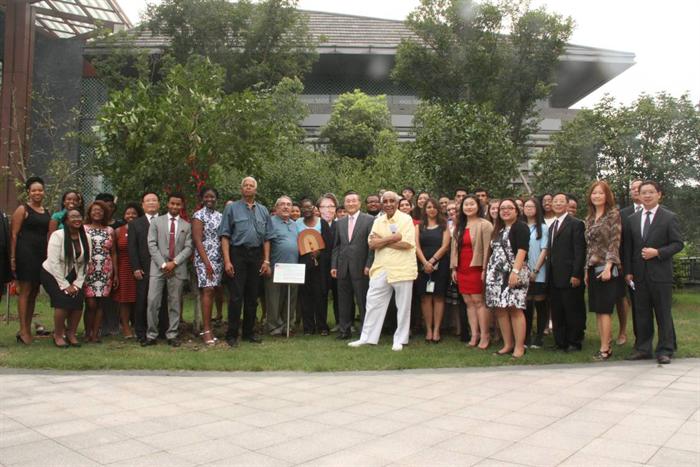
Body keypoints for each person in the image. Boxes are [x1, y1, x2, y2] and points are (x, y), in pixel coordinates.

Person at [624, 180, 684, 364]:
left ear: (659, 194)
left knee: (663, 313)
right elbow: (628, 247)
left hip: (661, 274)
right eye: (644, 192)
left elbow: (677, 244)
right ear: (639, 195)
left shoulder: (669, 217)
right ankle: (643, 349)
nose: (647, 195)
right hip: (639, 275)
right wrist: (628, 271)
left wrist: (658, 252)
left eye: (651, 192)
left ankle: (665, 350)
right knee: (642, 313)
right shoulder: (632, 219)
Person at [349, 191, 417, 351]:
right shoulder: (378, 220)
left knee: (403, 306)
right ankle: (367, 338)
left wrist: (382, 241)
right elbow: (372, 244)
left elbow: (406, 243)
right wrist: (393, 238)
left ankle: (400, 340)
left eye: (391, 201)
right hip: (381, 267)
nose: (388, 204)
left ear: (397, 203)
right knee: (372, 302)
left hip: (402, 268)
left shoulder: (406, 219)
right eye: (385, 201)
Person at [219, 176, 273, 347]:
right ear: (241, 189)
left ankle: (249, 333)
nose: (248, 188)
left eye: (251, 186)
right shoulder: (232, 208)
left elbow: (267, 238)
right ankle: (232, 334)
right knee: (236, 297)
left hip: (256, 256)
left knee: (252, 297)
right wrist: (227, 261)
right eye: (246, 185)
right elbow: (225, 236)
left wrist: (266, 261)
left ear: (255, 190)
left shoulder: (263, 211)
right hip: (238, 254)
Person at [143, 193, 192, 347]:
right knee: (153, 302)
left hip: (177, 269)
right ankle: (151, 335)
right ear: (168, 204)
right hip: (158, 268)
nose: (175, 206)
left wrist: (174, 262)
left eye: (178, 204)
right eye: (172, 203)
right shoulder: (156, 222)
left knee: (174, 303)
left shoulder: (186, 225)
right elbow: (151, 244)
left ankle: (172, 334)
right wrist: (164, 265)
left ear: (181, 206)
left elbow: (189, 247)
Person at [485, 199, 530, 358]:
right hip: (496, 275)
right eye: (502, 208)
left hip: (513, 272)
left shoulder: (521, 227)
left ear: (517, 211)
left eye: (509, 208)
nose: (505, 211)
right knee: (500, 309)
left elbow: (522, 250)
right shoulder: (498, 229)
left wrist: (515, 271)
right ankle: (507, 344)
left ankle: (519, 347)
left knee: (514, 308)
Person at [40, 208, 91, 348]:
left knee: (78, 300)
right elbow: (53, 262)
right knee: (62, 301)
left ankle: (71, 333)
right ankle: (58, 335)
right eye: (72, 217)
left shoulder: (86, 237)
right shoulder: (57, 235)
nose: (77, 219)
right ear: (66, 221)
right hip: (52, 273)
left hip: (74, 274)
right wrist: (64, 285)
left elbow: (86, 262)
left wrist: (78, 283)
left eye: (79, 216)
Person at [583, 181, 622, 361]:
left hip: (607, 269)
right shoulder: (590, 218)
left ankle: (605, 349)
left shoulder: (613, 215)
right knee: (598, 310)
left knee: (605, 310)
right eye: (594, 193)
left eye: (600, 193)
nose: (597, 196)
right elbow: (589, 247)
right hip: (592, 267)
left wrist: (608, 266)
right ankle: (604, 343)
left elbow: (615, 242)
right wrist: (586, 270)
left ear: (607, 196)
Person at [11, 177, 51, 345]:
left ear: (44, 192)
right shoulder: (23, 209)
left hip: (41, 255)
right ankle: (23, 330)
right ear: (28, 192)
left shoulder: (46, 211)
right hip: (25, 254)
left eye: (40, 190)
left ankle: (27, 328)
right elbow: (14, 234)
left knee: (34, 292)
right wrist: (12, 258)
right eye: (34, 190)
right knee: (25, 291)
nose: (37, 193)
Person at [451, 195, 493, 348]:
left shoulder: (485, 224)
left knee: (479, 302)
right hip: (462, 268)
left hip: (477, 267)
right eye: (466, 204)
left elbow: (489, 248)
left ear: (478, 206)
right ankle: (474, 334)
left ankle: (485, 335)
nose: (469, 207)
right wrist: (454, 268)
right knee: (468, 303)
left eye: (472, 204)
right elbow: (454, 249)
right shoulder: (460, 225)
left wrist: (485, 269)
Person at [331, 191, 374, 340]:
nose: (350, 204)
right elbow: (336, 246)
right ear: (344, 204)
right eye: (348, 201)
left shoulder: (369, 220)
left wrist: (369, 264)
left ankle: (366, 331)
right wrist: (334, 266)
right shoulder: (339, 222)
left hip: (361, 268)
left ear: (359, 203)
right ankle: (345, 330)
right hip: (343, 268)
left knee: (362, 300)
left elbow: (372, 246)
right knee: (344, 301)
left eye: (353, 201)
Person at [547, 192, 586, 352]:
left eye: (561, 201)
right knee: (557, 310)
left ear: (567, 204)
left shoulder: (576, 224)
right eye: (555, 201)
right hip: (554, 275)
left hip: (570, 275)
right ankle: (560, 342)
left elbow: (579, 251)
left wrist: (576, 274)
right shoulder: (552, 226)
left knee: (572, 310)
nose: (557, 204)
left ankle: (574, 342)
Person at [128, 192, 162, 343]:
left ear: (159, 204)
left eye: (154, 200)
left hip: (163, 267)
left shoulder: (164, 221)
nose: (151, 203)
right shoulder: (135, 224)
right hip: (144, 268)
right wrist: (135, 267)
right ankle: (141, 332)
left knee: (162, 300)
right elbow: (132, 247)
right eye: (148, 201)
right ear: (143, 205)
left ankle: (161, 330)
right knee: (142, 300)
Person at [416, 198, 451, 343]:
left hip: (440, 265)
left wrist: (432, 261)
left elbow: (445, 246)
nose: (432, 209)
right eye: (429, 207)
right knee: (425, 298)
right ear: (425, 209)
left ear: (438, 209)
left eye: (434, 207)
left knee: (438, 297)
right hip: (423, 266)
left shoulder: (444, 225)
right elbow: (417, 246)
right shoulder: (419, 226)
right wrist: (425, 263)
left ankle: (436, 330)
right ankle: (428, 330)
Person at [82, 200, 117, 343]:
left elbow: (113, 253)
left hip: (105, 270)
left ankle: (95, 334)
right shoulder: (83, 228)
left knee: (101, 304)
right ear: (90, 213)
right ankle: (87, 332)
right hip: (88, 270)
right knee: (90, 303)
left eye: (100, 210)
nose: (97, 212)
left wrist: (115, 274)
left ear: (105, 213)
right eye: (94, 210)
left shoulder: (110, 230)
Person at [192, 187, 223, 346]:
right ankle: (206, 330)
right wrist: (207, 263)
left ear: (216, 199)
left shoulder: (220, 216)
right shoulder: (199, 215)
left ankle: (210, 327)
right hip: (204, 258)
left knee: (214, 291)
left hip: (218, 258)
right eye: (206, 196)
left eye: (212, 197)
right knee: (208, 290)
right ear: (202, 199)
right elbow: (197, 240)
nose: (209, 199)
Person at [265, 196, 299, 336]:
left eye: (288, 204)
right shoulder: (270, 222)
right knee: (274, 299)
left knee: (290, 298)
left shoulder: (294, 224)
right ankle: (274, 327)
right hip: (276, 266)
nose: (286, 207)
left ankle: (288, 325)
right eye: (282, 204)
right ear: (276, 207)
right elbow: (265, 243)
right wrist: (266, 263)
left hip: (293, 267)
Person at [296, 198, 330, 335]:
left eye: (309, 207)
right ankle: (308, 327)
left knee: (320, 295)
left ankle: (322, 326)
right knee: (305, 295)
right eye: (303, 207)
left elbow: (328, 244)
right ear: (301, 209)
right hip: (303, 263)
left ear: (314, 208)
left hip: (320, 265)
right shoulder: (297, 223)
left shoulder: (322, 223)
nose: (306, 210)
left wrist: (319, 252)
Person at [616, 179, 643, 345]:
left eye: (638, 188)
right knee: (621, 298)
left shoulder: (656, 212)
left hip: (646, 264)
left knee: (641, 303)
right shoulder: (623, 213)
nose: (635, 190)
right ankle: (622, 332)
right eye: (632, 188)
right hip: (624, 263)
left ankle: (642, 338)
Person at [113, 203, 142, 339]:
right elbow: (114, 253)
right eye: (128, 213)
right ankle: (125, 326)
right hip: (123, 268)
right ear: (124, 215)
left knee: (138, 298)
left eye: (134, 213)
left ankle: (137, 325)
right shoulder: (118, 231)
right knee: (124, 300)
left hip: (140, 268)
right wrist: (115, 273)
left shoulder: (144, 228)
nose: (131, 216)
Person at [523, 198, 549, 349]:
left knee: (539, 303)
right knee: (526, 304)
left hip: (538, 271)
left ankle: (539, 337)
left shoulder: (543, 228)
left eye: (531, 206)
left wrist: (535, 270)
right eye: (526, 206)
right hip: (523, 271)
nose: (528, 209)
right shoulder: (521, 226)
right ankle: (526, 336)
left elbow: (544, 250)